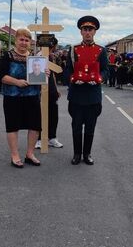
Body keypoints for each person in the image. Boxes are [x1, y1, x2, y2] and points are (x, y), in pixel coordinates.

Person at [0, 28, 44, 168]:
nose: (24, 43)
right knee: (13, 126)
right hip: (12, 97)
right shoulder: (8, 56)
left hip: (32, 96)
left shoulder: (35, 58)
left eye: (27, 40)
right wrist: (17, 82)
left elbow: (39, 76)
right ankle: (15, 155)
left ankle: (30, 154)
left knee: (35, 126)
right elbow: (1, 76)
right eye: (21, 40)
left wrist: (45, 72)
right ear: (16, 40)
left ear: (30, 42)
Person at [67, 16, 108, 165]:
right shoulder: (73, 49)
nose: (88, 32)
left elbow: (105, 70)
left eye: (90, 29)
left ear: (95, 31)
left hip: (93, 96)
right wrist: (72, 79)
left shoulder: (101, 50)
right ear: (81, 31)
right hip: (77, 95)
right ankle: (77, 154)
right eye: (85, 29)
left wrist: (99, 78)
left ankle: (87, 154)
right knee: (76, 127)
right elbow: (68, 70)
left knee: (90, 127)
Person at [36, 38, 64, 150]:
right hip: (40, 88)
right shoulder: (38, 56)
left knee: (53, 113)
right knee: (40, 114)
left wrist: (56, 89)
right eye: (54, 46)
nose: (55, 48)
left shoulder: (51, 57)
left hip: (51, 88)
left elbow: (53, 74)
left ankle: (52, 137)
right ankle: (39, 139)